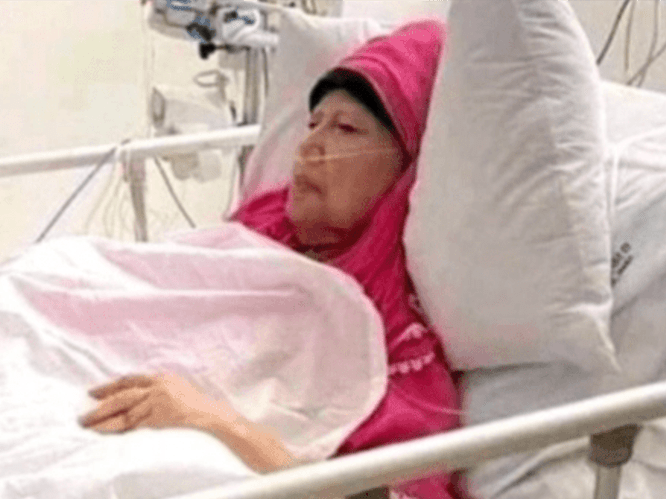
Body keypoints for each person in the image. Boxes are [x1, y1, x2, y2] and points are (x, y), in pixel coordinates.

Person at [80, 19, 462, 499]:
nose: (309, 146)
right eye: (312, 124)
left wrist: (215, 422)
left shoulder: (396, 352)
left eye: (346, 128)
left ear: (406, 166)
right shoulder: (243, 246)